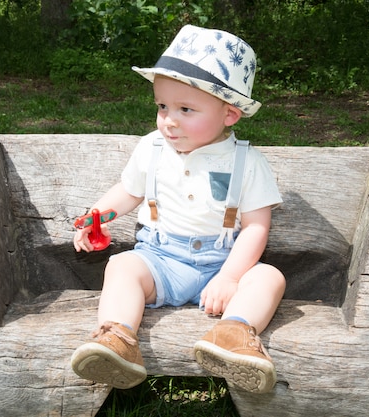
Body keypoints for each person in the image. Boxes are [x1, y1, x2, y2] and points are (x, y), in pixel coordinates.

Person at [70, 25, 285, 394]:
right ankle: (116, 338)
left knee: (269, 279)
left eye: (185, 109)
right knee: (122, 266)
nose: (169, 120)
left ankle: (233, 333)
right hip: (161, 259)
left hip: (223, 263)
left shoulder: (247, 162)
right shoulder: (152, 148)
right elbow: (128, 191)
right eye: (163, 106)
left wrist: (231, 277)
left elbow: (255, 227)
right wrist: (96, 216)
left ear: (230, 115)